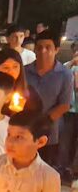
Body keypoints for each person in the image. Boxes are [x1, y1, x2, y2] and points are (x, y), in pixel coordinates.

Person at [25, 30, 75, 171]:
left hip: (49, 132)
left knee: (42, 170)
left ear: (56, 50)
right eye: (39, 47)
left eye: (48, 47)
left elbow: (64, 105)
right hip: (24, 128)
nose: (43, 51)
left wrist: (42, 121)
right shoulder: (24, 71)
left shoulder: (65, 75)